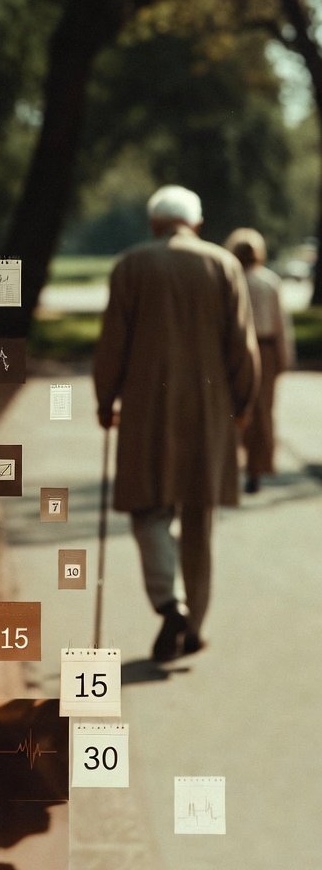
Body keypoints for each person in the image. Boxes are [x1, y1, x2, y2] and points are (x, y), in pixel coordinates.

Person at [94, 186, 260, 661]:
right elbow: (242, 347)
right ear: (197, 224)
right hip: (210, 411)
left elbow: (112, 345)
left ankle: (171, 604)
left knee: (147, 508)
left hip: (147, 408)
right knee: (198, 518)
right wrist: (243, 407)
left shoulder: (131, 265)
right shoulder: (222, 264)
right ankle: (194, 625)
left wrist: (106, 400)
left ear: (154, 224)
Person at [225, 228, 295, 493]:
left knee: (233, 410)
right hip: (264, 349)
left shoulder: (230, 279)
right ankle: (256, 468)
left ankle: (232, 466)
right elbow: (281, 324)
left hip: (235, 350)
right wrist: (284, 358)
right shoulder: (269, 281)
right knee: (262, 411)